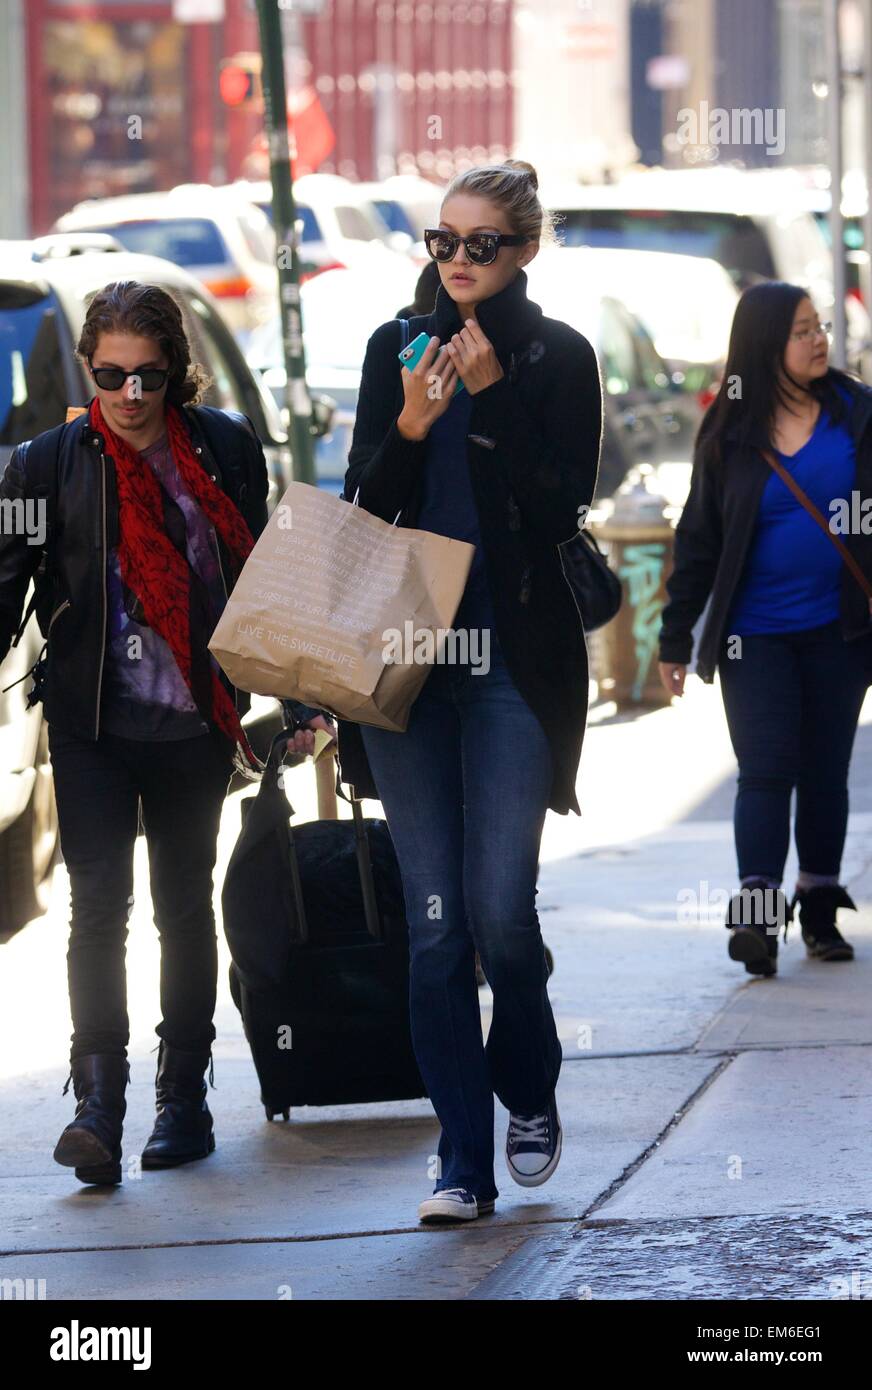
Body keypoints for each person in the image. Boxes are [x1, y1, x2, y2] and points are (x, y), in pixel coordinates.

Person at [0, 280, 326, 1185]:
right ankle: (97, 1108)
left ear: (175, 372)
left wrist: (297, 700)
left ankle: (183, 1098)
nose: (131, 396)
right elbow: (5, 590)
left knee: (184, 904)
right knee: (98, 907)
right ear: (89, 370)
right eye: (112, 375)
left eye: (149, 376)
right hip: (93, 719)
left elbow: (262, 577)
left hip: (194, 718)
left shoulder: (221, 447)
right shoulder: (45, 465)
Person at [337, 160, 602, 1223]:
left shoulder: (558, 357)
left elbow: (554, 509)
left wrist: (489, 403)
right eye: (442, 241)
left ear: (523, 249)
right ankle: (461, 1159)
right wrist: (408, 424)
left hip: (507, 670)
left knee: (498, 918)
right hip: (407, 669)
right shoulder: (390, 349)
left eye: (479, 243)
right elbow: (360, 502)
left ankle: (527, 1087)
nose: (455, 261)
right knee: (436, 926)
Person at [658, 282, 872, 978]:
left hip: (842, 631)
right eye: (802, 330)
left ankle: (817, 909)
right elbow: (698, 539)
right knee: (765, 770)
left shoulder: (857, 414)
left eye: (821, 327)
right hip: (755, 636)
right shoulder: (730, 431)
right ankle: (756, 919)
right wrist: (673, 638)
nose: (819, 341)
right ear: (764, 344)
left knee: (824, 771)